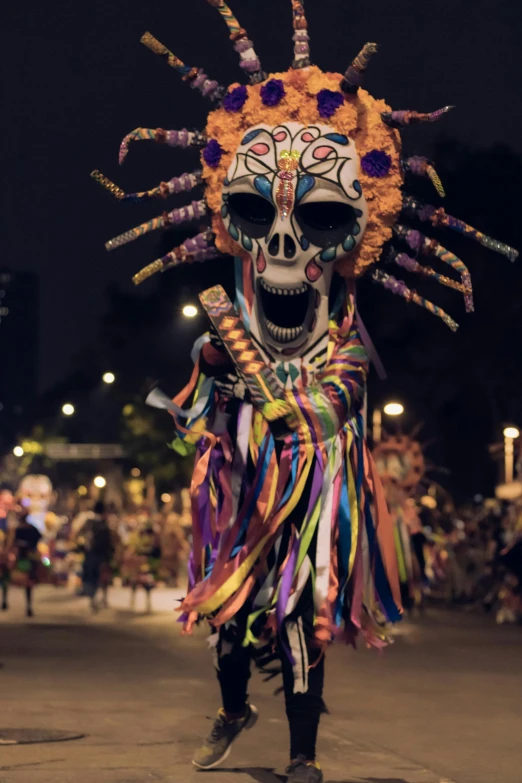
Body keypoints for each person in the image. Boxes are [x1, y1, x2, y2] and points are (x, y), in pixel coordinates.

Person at [93, 0, 516, 777]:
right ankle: (232, 706)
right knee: (228, 631)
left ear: (362, 227)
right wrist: (212, 385)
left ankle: (302, 758)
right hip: (240, 503)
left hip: (309, 506)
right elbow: (194, 420)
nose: (285, 243)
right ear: (229, 218)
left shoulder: (343, 339)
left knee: (301, 621)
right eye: (259, 212)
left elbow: (344, 392)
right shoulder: (220, 337)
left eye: (319, 218)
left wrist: (297, 407)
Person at [81, 501, 115, 612]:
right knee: (103, 576)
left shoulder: (88, 522)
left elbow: (79, 533)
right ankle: (103, 599)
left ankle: (93, 599)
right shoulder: (105, 523)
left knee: (92, 575)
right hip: (103, 554)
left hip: (91, 553)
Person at [122, 518, 161, 613]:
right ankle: (133, 601)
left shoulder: (151, 537)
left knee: (147, 584)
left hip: (145, 564)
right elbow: (130, 548)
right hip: (138, 564)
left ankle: (146, 603)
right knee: (135, 582)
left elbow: (154, 550)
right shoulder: (135, 536)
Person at [10, 512, 45, 617]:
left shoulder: (19, 529)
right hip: (31, 556)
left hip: (23, 557)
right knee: (29, 580)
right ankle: (28, 605)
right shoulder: (32, 528)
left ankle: (27, 604)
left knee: (25, 579)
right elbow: (40, 537)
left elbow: (14, 542)